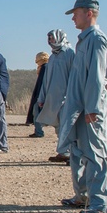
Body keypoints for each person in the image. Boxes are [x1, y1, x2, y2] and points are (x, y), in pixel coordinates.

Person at [58, 0, 107, 213]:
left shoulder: (97, 40)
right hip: (78, 106)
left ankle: (101, 203)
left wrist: (92, 109)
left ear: (89, 13)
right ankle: (83, 195)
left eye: (76, 13)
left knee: (95, 153)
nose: (73, 17)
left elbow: (97, 79)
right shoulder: (83, 41)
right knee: (78, 152)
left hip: (90, 107)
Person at [36, 29, 76, 164]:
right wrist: (42, 97)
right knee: (58, 125)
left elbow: (75, 76)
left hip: (67, 96)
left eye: (52, 38)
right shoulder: (52, 57)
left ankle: (71, 152)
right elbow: (46, 80)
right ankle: (63, 152)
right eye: (49, 38)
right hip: (53, 97)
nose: (50, 41)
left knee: (68, 125)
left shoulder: (70, 53)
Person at [26, 52, 49, 137]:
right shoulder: (43, 67)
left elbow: (42, 84)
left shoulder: (45, 67)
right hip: (41, 94)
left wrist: (40, 96)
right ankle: (38, 131)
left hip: (41, 95)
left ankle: (39, 132)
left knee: (36, 113)